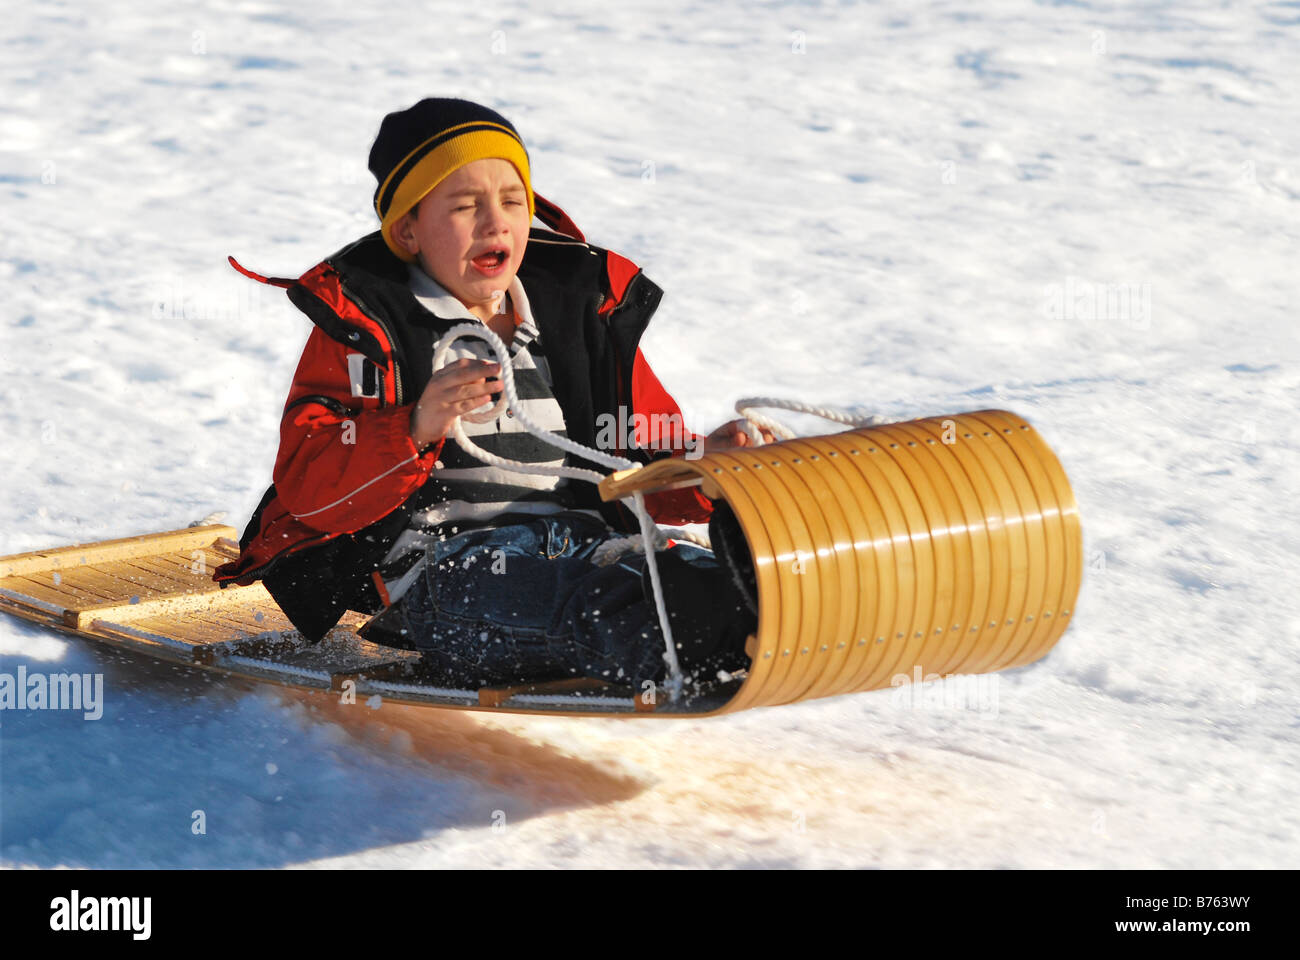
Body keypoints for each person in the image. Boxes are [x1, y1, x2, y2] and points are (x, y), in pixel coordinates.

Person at [214, 98, 772, 691]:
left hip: (590, 545)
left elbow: (631, 455)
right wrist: (413, 426)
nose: (495, 222)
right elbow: (311, 487)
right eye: (463, 206)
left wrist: (701, 465)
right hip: (451, 576)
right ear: (407, 230)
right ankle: (691, 638)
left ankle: (761, 603)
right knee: (578, 603)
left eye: (512, 201)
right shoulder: (371, 330)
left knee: (667, 569)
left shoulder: (576, 317)